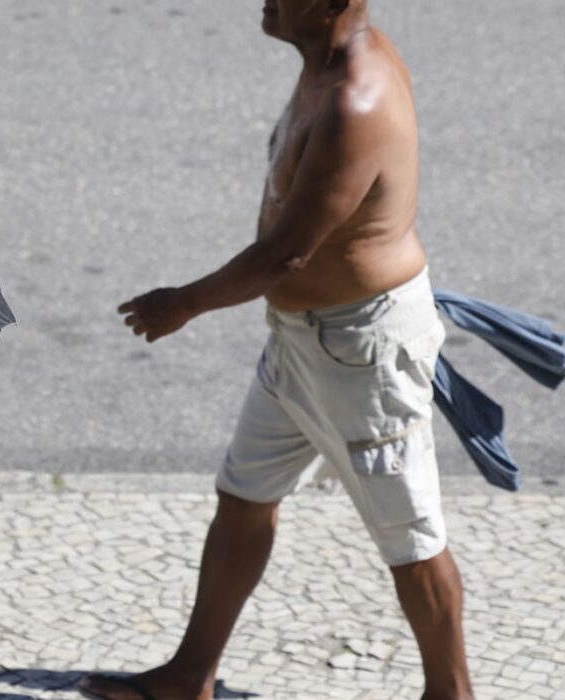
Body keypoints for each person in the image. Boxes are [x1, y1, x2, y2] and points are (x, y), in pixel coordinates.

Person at [80, 2, 475, 699]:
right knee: (243, 495)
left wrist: (183, 303)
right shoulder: (324, 65)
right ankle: (190, 676)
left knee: (411, 539)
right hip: (302, 341)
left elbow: (287, 254)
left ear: (329, 4)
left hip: (361, 351)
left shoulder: (357, 99)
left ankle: (453, 695)